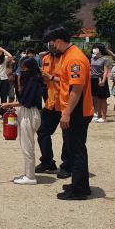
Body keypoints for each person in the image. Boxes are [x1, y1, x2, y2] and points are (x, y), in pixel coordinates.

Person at [46, 26, 94, 200]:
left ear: (58, 41)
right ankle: (80, 184)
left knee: (76, 150)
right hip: (72, 110)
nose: (51, 46)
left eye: (51, 42)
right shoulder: (68, 55)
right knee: (74, 149)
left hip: (77, 112)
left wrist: (66, 113)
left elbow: (77, 88)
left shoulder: (75, 58)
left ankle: (79, 190)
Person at [0, 57, 44, 185]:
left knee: (27, 146)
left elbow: (26, 102)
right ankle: (28, 173)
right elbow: (21, 98)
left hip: (29, 114)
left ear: (30, 68)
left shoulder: (34, 81)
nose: (21, 70)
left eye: (23, 68)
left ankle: (30, 177)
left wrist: (9, 104)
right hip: (25, 112)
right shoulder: (28, 79)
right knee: (26, 144)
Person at [36, 48, 72, 179]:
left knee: (67, 136)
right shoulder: (46, 58)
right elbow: (46, 81)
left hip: (66, 103)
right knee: (42, 132)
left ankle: (67, 166)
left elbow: (71, 82)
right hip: (51, 102)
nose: (52, 45)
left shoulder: (69, 58)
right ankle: (47, 162)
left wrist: (51, 78)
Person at [90, 44, 112, 123]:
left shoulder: (105, 59)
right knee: (94, 98)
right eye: (94, 48)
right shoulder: (92, 58)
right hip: (92, 79)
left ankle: (103, 116)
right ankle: (97, 115)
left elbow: (106, 71)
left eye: (96, 48)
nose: (94, 49)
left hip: (100, 78)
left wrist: (103, 80)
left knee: (102, 99)